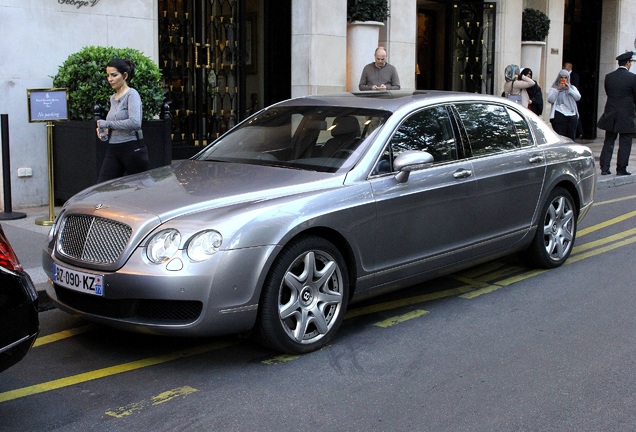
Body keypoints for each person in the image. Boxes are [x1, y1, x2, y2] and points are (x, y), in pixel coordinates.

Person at [96, 58, 149, 182]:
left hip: (132, 147)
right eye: (108, 75)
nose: (110, 79)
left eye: (114, 75)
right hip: (113, 148)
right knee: (103, 185)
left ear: (124, 75)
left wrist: (107, 123)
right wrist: (104, 132)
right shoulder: (113, 98)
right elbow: (114, 123)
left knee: (140, 188)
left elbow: (135, 123)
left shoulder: (132, 94)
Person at [597, 51, 636, 176]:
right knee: (625, 142)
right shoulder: (632, 78)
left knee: (609, 140)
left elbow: (609, 93)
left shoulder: (609, 76)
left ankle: (604, 167)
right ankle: (621, 169)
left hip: (611, 113)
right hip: (626, 115)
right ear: (628, 63)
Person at [547, 69, 581, 140]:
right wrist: (558, 89)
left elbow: (578, 97)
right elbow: (550, 99)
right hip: (559, 113)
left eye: (565, 78)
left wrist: (569, 89)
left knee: (571, 137)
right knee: (560, 136)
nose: (563, 79)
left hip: (571, 115)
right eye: (562, 77)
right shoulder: (554, 88)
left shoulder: (572, 88)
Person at [564, 61, 583, 138]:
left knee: (575, 115)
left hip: (572, 98)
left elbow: (576, 87)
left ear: (569, 67)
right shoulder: (564, 75)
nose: (563, 67)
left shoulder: (574, 75)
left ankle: (580, 132)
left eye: (565, 66)